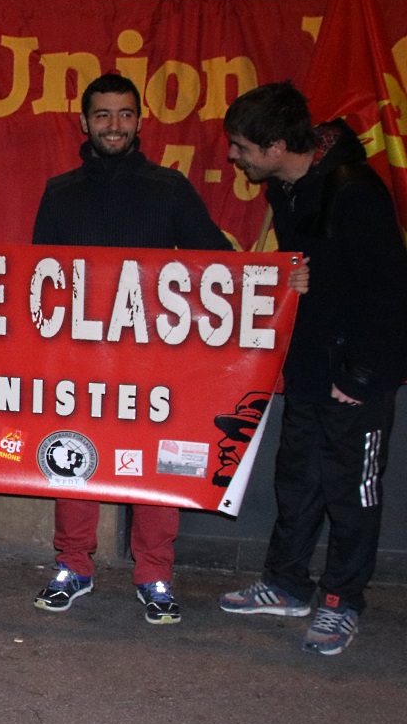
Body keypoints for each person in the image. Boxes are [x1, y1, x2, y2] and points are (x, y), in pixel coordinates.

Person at [30, 72, 236, 626]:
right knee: (70, 459)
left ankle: (154, 575)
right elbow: (35, 279)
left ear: (140, 121)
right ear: (84, 122)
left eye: (124, 114)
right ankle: (73, 566)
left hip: (155, 362)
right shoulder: (59, 192)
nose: (114, 125)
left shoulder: (169, 188)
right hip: (79, 360)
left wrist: (283, 279)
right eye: (102, 115)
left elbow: (221, 264)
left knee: (157, 467)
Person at [218, 81, 407, 656]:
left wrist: (360, 377)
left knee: (353, 494)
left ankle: (340, 602)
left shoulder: (353, 192)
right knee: (296, 482)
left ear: (277, 145)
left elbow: (392, 295)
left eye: (242, 147)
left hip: (357, 377)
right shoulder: (285, 186)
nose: (233, 157)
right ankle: (286, 584)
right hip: (305, 369)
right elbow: (317, 265)